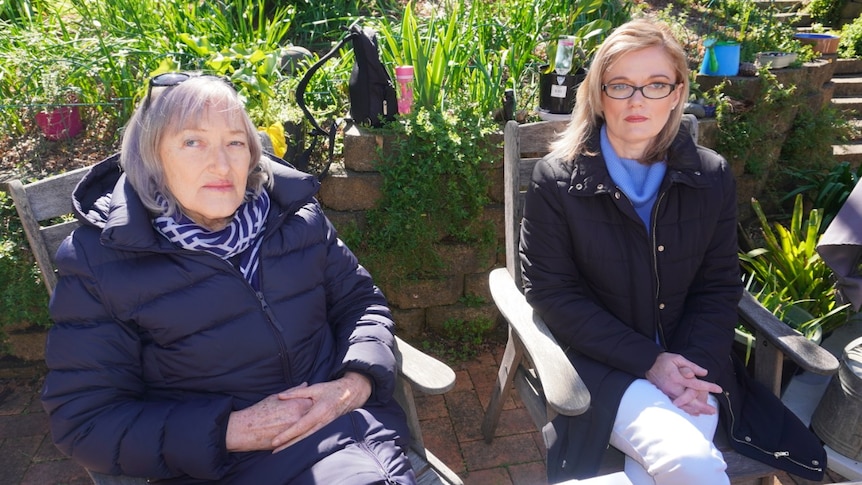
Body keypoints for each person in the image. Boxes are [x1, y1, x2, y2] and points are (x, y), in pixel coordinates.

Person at [41, 72, 416, 484]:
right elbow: (85, 423)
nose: (221, 164)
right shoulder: (99, 263)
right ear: (152, 159)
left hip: (358, 433)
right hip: (226, 467)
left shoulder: (295, 217)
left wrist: (355, 383)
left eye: (235, 142)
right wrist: (231, 430)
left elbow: (361, 302)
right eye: (192, 142)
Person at [520, 20, 827, 484]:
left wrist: (687, 364)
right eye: (621, 85)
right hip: (602, 365)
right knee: (692, 462)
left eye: (655, 84)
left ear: (677, 91)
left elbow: (718, 284)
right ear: (599, 94)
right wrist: (650, 361)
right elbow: (551, 292)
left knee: (679, 465)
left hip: (693, 361)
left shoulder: (711, 175)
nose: (638, 100)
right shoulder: (557, 180)